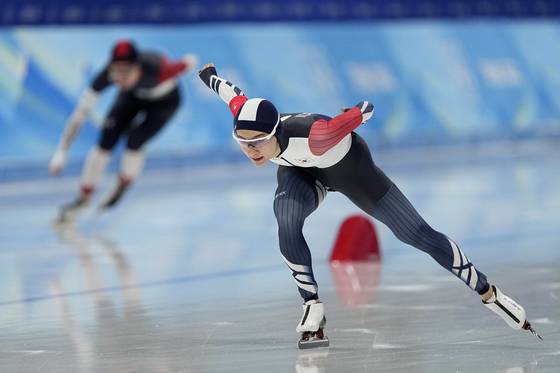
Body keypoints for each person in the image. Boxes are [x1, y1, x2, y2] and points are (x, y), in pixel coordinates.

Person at [198, 63, 542, 348]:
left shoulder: (316, 136)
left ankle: (489, 293)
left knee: (418, 234)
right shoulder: (248, 120)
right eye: (243, 143)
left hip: (351, 171)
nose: (252, 151)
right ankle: (311, 305)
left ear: (275, 133)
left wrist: (359, 112)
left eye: (258, 142)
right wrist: (209, 75)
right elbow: (231, 93)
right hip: (302, 173)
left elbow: (355, 115)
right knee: (286, 220)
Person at [49, 39, 198, 223]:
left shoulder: (158, 69)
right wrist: (61, 151)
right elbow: (80, 114)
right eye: (116, 72)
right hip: (133, 96)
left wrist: (189, 63)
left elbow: (189, 62)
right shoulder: (107, 76)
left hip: (164, 104)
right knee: (105, 140)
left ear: (138, 67)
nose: (120, 78)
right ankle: (84, 197)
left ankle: (124, 184)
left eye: (126, 72)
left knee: (135, 141)